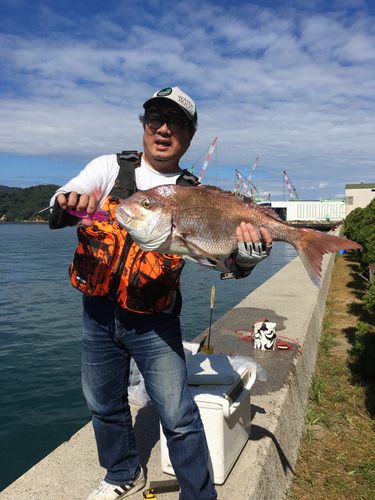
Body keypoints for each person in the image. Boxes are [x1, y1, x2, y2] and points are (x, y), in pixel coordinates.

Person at [50, 86, 273, 500]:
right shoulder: (109, 168)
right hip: (97, 312)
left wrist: (245, 259)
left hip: (155, 320)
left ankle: (199, 495)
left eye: (177, 123)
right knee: (102, 404)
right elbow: (64, 197)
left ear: (189, 138)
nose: (163, 128)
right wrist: (68, 201)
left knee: (179, 414)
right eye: (155, 118)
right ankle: (122, 474)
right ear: (144, 126)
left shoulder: (196, 195)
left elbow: (217, 261)